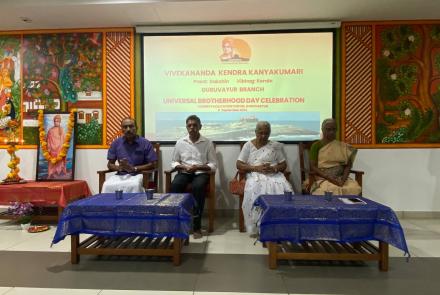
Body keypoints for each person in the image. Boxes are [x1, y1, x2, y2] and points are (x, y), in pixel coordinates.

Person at [236, 121, 293, 235]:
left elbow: (283, 164)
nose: (263, 136)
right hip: (255, 174)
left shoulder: (274, 146)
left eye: (266, 133)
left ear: (270, 133)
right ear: (255, 132)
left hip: (274, 175)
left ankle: (279, 225)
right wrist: (256, 168)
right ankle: (259, 226)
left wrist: (274, 168)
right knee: (256, 189)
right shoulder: (248, 145)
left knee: (284, 189)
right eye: (260, 133)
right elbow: (239, 164)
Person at [170, 115, 217, 239]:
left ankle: (196, 226)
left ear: (200, 127)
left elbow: (213, 165)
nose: (192, 128)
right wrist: (183, 167)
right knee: (175, 185)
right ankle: (178, 223)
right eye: (189, 125)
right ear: (186, 127)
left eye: (195, 125)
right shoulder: (180, 142)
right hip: (184, 172)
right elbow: (174, 162)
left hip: (201, 173)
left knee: (198, 186)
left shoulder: (208, 143)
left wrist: (198, 167)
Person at [102, 117, 157, 193]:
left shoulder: (145, 143)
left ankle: (135, 204)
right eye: (125, 127)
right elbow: (110, 164)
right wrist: (120, 168)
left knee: (134, 185)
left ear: (136, 128)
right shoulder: (116, 143)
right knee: (107, 185)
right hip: (121, 174)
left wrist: (134, 168)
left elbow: (152, 164)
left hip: (140, 174)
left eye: (131, 126)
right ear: (122, 130)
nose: (128, 129)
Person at [308, 118, 361, 196]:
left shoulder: (342, 146)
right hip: (323, 178)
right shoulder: (316, 145)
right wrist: (330, 178)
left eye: (334, 129)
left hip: (341, 178)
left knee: (354, 188)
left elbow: (348, 165)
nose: (331, 132)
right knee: (329, 190)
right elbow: (313, 166)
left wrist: (343, 180)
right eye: (328, 129)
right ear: (322, 130)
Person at [47, 114, 67, 179]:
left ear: (60, 122)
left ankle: (60, 172)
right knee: (52, 161)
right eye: (55, 121)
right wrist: (49, 148)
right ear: (53, 122)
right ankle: (51, 173)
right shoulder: (50, 130)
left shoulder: (61, 130)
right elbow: (48, 140)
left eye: (58, 121)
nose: (56, 122)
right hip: (52, 150)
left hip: (60, 148)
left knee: (60, 160)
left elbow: (64, 140)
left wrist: (62, 147)